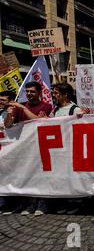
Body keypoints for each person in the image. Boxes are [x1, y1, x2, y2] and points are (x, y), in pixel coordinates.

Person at [3, 82, 53, 216]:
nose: (29, 94)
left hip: (40, 147)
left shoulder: (46, 106)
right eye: (28, 91)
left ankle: (42, 204)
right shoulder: (20, 107)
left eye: (32, 91)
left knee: (41, 176)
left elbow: (38, 121)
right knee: (28, 175)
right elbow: (8, 125)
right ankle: (30, 203)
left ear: (39, 93)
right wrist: (9, 114)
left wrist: (22, 108)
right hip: (25, 147)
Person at [50, 83, 83, 215]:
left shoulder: (75, 109)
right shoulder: (55, 110)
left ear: (65, 95)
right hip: (58, 150)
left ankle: (75, 202)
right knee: (61, 177)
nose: (54, 95)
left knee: (72, 177)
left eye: (57, 93)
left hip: (71, 150)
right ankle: (63, 201)